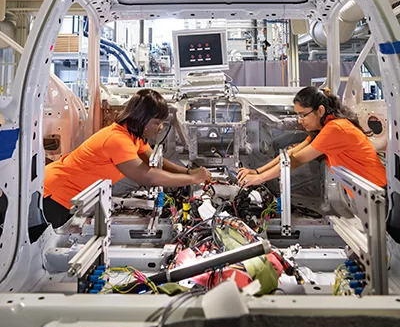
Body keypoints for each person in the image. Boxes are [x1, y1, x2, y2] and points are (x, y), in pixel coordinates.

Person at [44, 89, 211, 227]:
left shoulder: (132, 136)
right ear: (143, 119)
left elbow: (155, 162)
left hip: (68, 194)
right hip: (55, 194)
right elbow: (147, 176)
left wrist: (189, 172)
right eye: (156, 122)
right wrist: (192, 179)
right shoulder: (117, 140)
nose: (160, 128)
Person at [238, 86, 387, 190]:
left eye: (303, 115)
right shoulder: (324, 128)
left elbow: (297, 160)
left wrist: (259, 179)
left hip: (379, 192)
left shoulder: (336, 129)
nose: (300, 120)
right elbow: (292, 153)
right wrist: (257, 172)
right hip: (369, 192)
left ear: (320, 110)